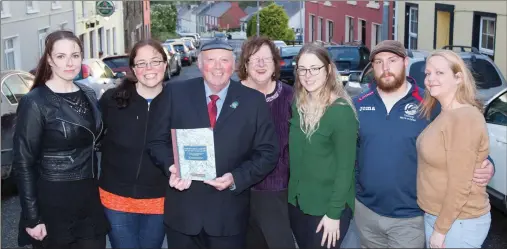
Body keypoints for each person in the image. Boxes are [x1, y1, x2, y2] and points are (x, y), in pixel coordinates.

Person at [348, 40, 495, 248]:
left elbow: (466, 144)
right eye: (379, 62)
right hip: (366, 213)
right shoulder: (359, 104)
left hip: (410, 217)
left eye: (392, 60)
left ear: (405, 62)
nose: (386, 68)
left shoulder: (429, 103)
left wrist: (488, 163)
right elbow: (350, 152)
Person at [147, 38, 280, 248]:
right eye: (210, 60)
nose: (218, 67)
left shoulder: (252, 101)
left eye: (224, 60)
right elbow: (156, 141)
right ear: (199, 64)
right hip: (183, 214)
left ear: (234, 65)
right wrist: (173, 167)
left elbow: (268, 152)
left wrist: (236, 177)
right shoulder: (175, 93)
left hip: (228, 216)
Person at [12, 30, 109, 249]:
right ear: (49, 59)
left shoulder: (89, 94)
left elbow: (97, 139)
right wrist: (32, 217)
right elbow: (23, 163)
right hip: (53, 201)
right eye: (61, 56)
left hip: (88, 199)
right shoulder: (35, 101)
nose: (69, 63)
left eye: (75, 55)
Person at [98, 39, 169, 248]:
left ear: (165, 64)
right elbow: (89, 137)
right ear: (133, 69)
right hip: (115, 199)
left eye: (155, 61)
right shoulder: (112, 100)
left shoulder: (177, 101)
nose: (149, 69)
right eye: (141, 63)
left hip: (159, 200)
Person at [417, 50, 491, 248]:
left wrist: (440, 231)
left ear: (458, 78)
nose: (431, 79)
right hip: (443, 217)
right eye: (428, 73)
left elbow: (460, 183)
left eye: (439, 73)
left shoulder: (464, 117)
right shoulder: (445, 113)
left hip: (457, 222)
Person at [288, 43, 357, 249]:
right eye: (302, 69)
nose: (308, 75)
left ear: (327, 70)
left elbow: (346, 170)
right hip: (298, 205)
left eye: (315, 68)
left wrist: (334, 214)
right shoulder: (298, 106)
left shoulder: (340, 112)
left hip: (327, 208)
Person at [237, 36, 295, 249]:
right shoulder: (232, 96)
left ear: (275, 64)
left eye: (266, 59)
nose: (260, 64)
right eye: (254, 59)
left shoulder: (290, 96)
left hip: (276, 190)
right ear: (245, 64)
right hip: (238, 191)